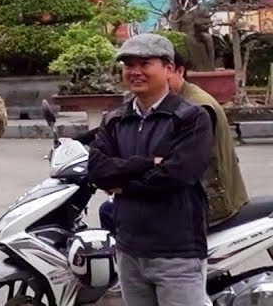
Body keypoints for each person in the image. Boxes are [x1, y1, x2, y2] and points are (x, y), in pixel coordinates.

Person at [86, 33, 214, 306]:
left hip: (177, 251)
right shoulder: (115, 119)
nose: (135, 72)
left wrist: (122, 184)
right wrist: (146, 163)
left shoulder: (192, 117)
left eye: (144, 64)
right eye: (128, 65)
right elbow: (97, 170)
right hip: (129, 248)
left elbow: (177, 176)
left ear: (168, 68)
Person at [169, 55, 249, 226]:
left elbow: (183, 164)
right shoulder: (176, 100)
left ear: (179, 71)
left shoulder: (197, 108)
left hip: (211, 200)